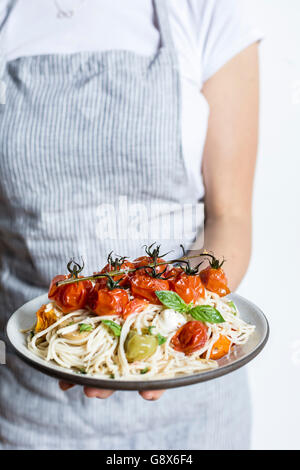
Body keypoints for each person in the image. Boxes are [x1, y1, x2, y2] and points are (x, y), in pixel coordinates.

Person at [0, 0, 261, 450]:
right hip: (29, 413)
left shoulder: (207, 11)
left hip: (195, 411)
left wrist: (172, 326)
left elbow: (229, 216)